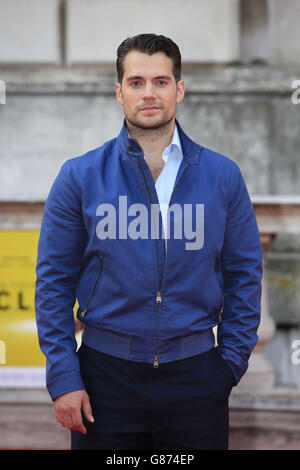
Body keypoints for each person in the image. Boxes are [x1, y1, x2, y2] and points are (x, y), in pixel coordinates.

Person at [35, 33, 263, 450]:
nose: (149, 93)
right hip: (104, 379)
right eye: (136, 82)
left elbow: (244, 274)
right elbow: (52, 284)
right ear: (119, 92)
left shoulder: (222, 175)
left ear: (179, 88)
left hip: (196, 376)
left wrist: (229, 365)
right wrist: (64, 377)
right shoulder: (79, 176)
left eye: (160, 81)